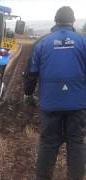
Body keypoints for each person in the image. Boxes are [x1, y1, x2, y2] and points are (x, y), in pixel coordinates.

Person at [23, 6, 86, 180]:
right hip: (78, 104)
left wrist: (28, 93)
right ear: (72, 22)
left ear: (55, 21)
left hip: (51, 104)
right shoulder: (83, 42)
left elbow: (31, 73)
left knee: (48, 143)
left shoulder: (42, 43)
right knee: (76, 142)